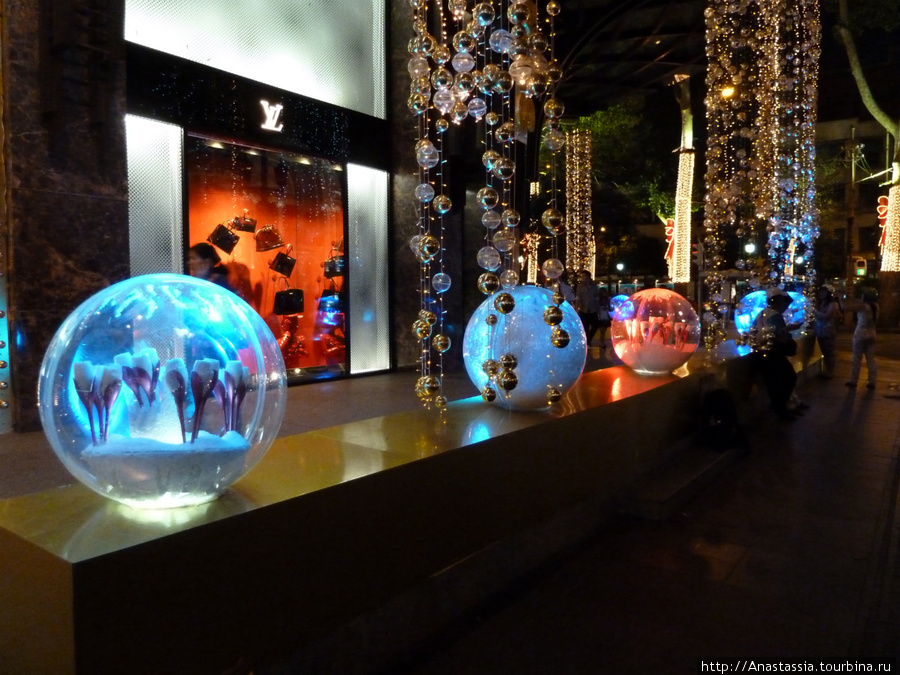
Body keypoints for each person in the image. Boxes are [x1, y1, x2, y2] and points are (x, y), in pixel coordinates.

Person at [752, 287, 802, 421]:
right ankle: (780, 408)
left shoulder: (762, 313)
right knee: (788, 378)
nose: (786, 307)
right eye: (785, 303)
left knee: (773, 382)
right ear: (778, 301)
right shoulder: (775, 315)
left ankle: (780, 407)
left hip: (762, 352)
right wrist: (789, 332)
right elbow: (778, 334)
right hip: (774, 352)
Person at [845, 289, 878, 389]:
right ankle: (872, 381)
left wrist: (843, 299)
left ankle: (854, 380)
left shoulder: (863, 306)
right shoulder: (875, 306)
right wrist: (851, 298)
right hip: (872, 333)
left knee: (857, 358)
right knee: (870, 359)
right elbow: (858, 302)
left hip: (860, 334)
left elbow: (845, 308)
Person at [814, 284, 842, 378]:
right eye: (820, 292)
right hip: (819, 331)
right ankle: (826, 370)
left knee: (829, 352)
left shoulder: (833, 304)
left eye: (824, 292)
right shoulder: (819, 303)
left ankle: (830, 372)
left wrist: (814, 311)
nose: (821, 294)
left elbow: (827, 316)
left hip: (828, 331)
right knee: (823, 352)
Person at [574, 270, 600, 346]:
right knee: (585, 327)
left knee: (595, 325)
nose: (583, 278)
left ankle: (588, 340)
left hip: (593, 309)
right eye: (582, 276)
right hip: (583, 309)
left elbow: (596, 296)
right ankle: (587, 343)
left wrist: (597, 307)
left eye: (584, 276)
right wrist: (577, 308)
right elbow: (578, 298)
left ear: (588, 277)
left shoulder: (594, 286)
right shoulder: (580, 286)